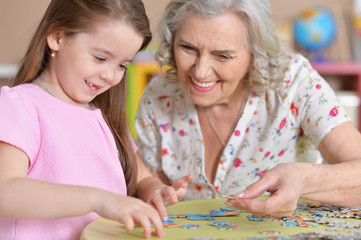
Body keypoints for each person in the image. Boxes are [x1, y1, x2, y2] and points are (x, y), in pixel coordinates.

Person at [135, 0, 361, 217]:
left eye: (223, 55)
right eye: (187, 48)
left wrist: (304, 179)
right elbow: (148, 189)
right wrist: (153, 193)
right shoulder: (158, 95)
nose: (200, 71)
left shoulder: (294, 82)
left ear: (255, 55)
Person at [0, 0, 193, 239]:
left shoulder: (103, 117)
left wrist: (153, 190)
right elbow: (5, 191)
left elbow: (140, 175)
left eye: (122, 65)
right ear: (57, 38)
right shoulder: (21, 105)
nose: (110, 76)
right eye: (100, 58)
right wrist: (97, 200)